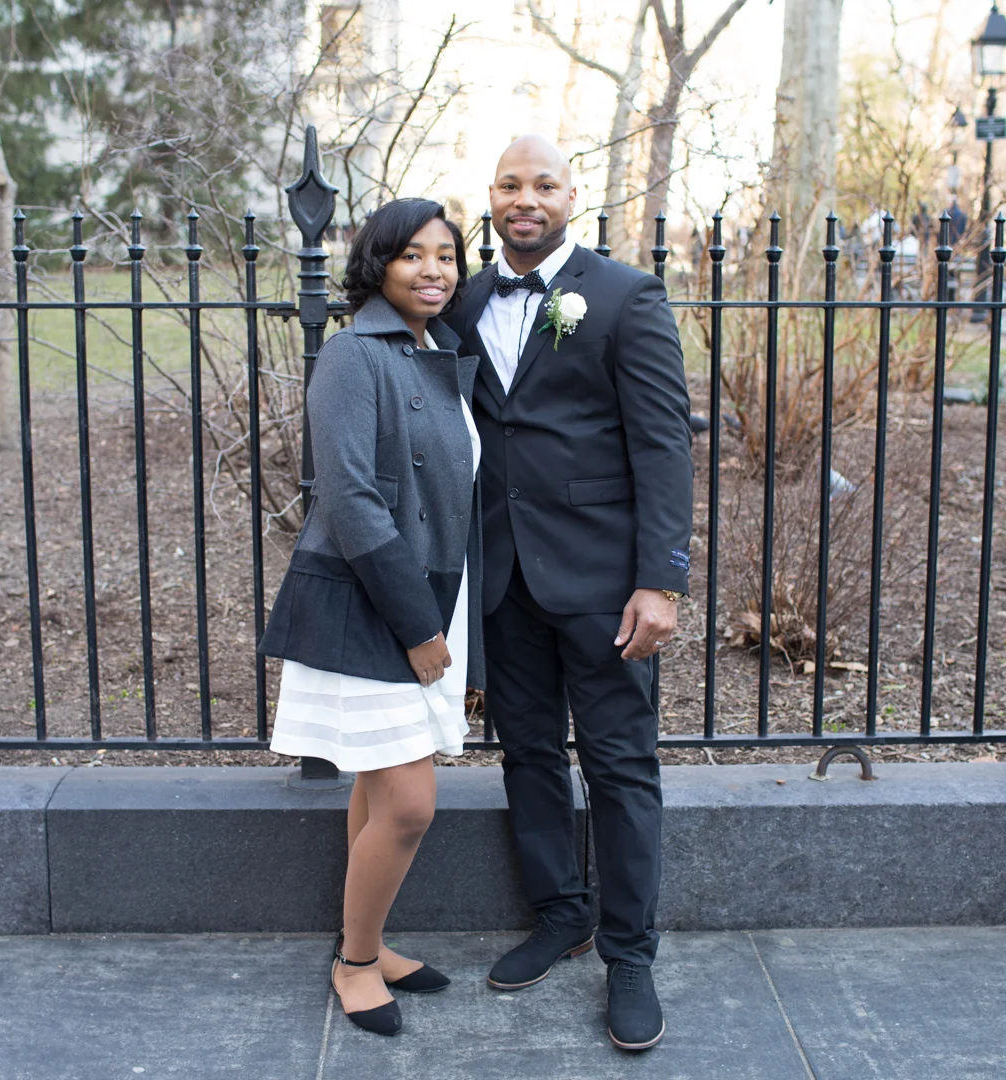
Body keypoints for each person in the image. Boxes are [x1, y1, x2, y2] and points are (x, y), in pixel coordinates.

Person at [443, 135, 694, 1052]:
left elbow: (663, 444)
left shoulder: (626, 296)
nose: (525, 199)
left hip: (602, 582)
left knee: (621, 765)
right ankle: (561, 912)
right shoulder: (464, 300)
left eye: (543, 184)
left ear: (571, 196)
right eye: (510, 184)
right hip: (503, 574)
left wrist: (660, 581)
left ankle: (629, 954)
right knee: (528, 752)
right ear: (491, 196)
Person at [259, 198, 482, 1037]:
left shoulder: (434, 348)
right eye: (413, 255)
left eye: (446, 256)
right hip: (374, 604)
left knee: (379, 785)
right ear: (377, 264)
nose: (434, 270)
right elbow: (351, 499)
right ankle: (354, 965)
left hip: (429, 593)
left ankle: (369, 942)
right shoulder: (355, 353)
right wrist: (420, 628)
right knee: (410, 803)